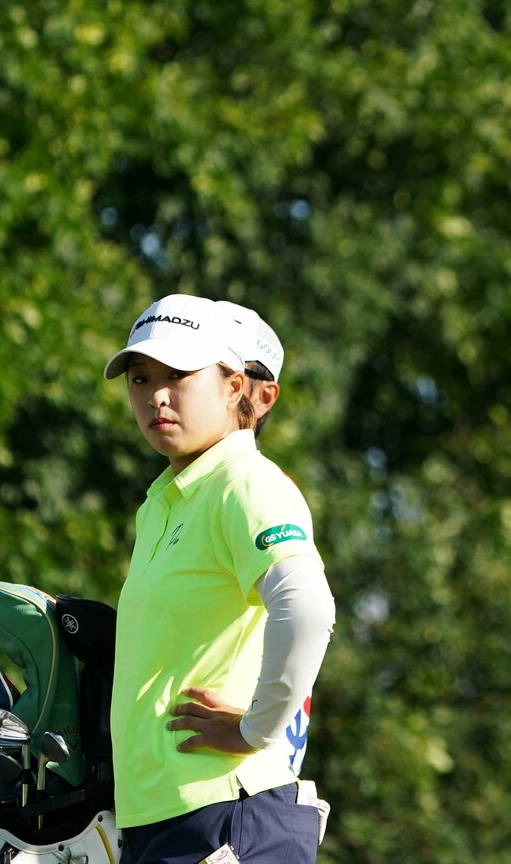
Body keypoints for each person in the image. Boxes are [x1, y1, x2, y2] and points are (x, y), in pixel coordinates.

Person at [104, 293, 336, 864]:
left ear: (235, 388)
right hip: (164, 819)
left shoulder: (244, 482)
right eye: (140, 378)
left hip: (227, 813)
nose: (156, 395)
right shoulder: (164, 502)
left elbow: (307, 608)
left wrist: (255, 731)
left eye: (178, 375)